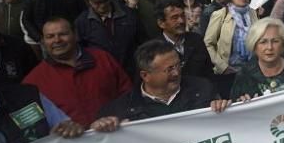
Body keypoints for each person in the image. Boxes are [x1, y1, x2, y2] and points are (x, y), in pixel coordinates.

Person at [23, 18, 132, 126]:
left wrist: (117, 117)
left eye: (63, 34)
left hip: (115, 131)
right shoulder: (33, 81)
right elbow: (32, 126)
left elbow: (128, 94)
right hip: (70, 141)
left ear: (75, 35)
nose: (57, 40)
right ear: (43, 41)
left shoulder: (103, 59)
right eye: (50, 36)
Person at [98, 40, 230, 121]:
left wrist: (224, 108)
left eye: (178, 65)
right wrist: (101, 128)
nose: (176, 73)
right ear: (145, 76)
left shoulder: (204, 90)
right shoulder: (120, 111)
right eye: (169, 69)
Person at [231, 18, 284, 99]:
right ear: (254, 45)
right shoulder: (244, 75)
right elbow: (234, 108)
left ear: (283, 44)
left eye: (275, 41)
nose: (270, 47)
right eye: (263, 42)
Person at [75, 0, 143, 77]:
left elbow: (141, 40)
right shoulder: (82, 21)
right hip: (100, 72)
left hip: (130, 70)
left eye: (105, 1)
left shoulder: (128, 15)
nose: (102, 6)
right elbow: (79, 49)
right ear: (89, 2)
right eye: (97, 3)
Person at [204, 0, 259, 76]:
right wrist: (223, 67)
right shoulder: (220, 14)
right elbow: (208, 44)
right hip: (229, 71)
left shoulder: (252, 13)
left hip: (252, 70)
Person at [156, 0, 213, 78]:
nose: (181, 21)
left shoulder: (197, 40)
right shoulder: (154, 49)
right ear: (161, 23)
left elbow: (209, 72)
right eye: (174, 18)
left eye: (183, 15)